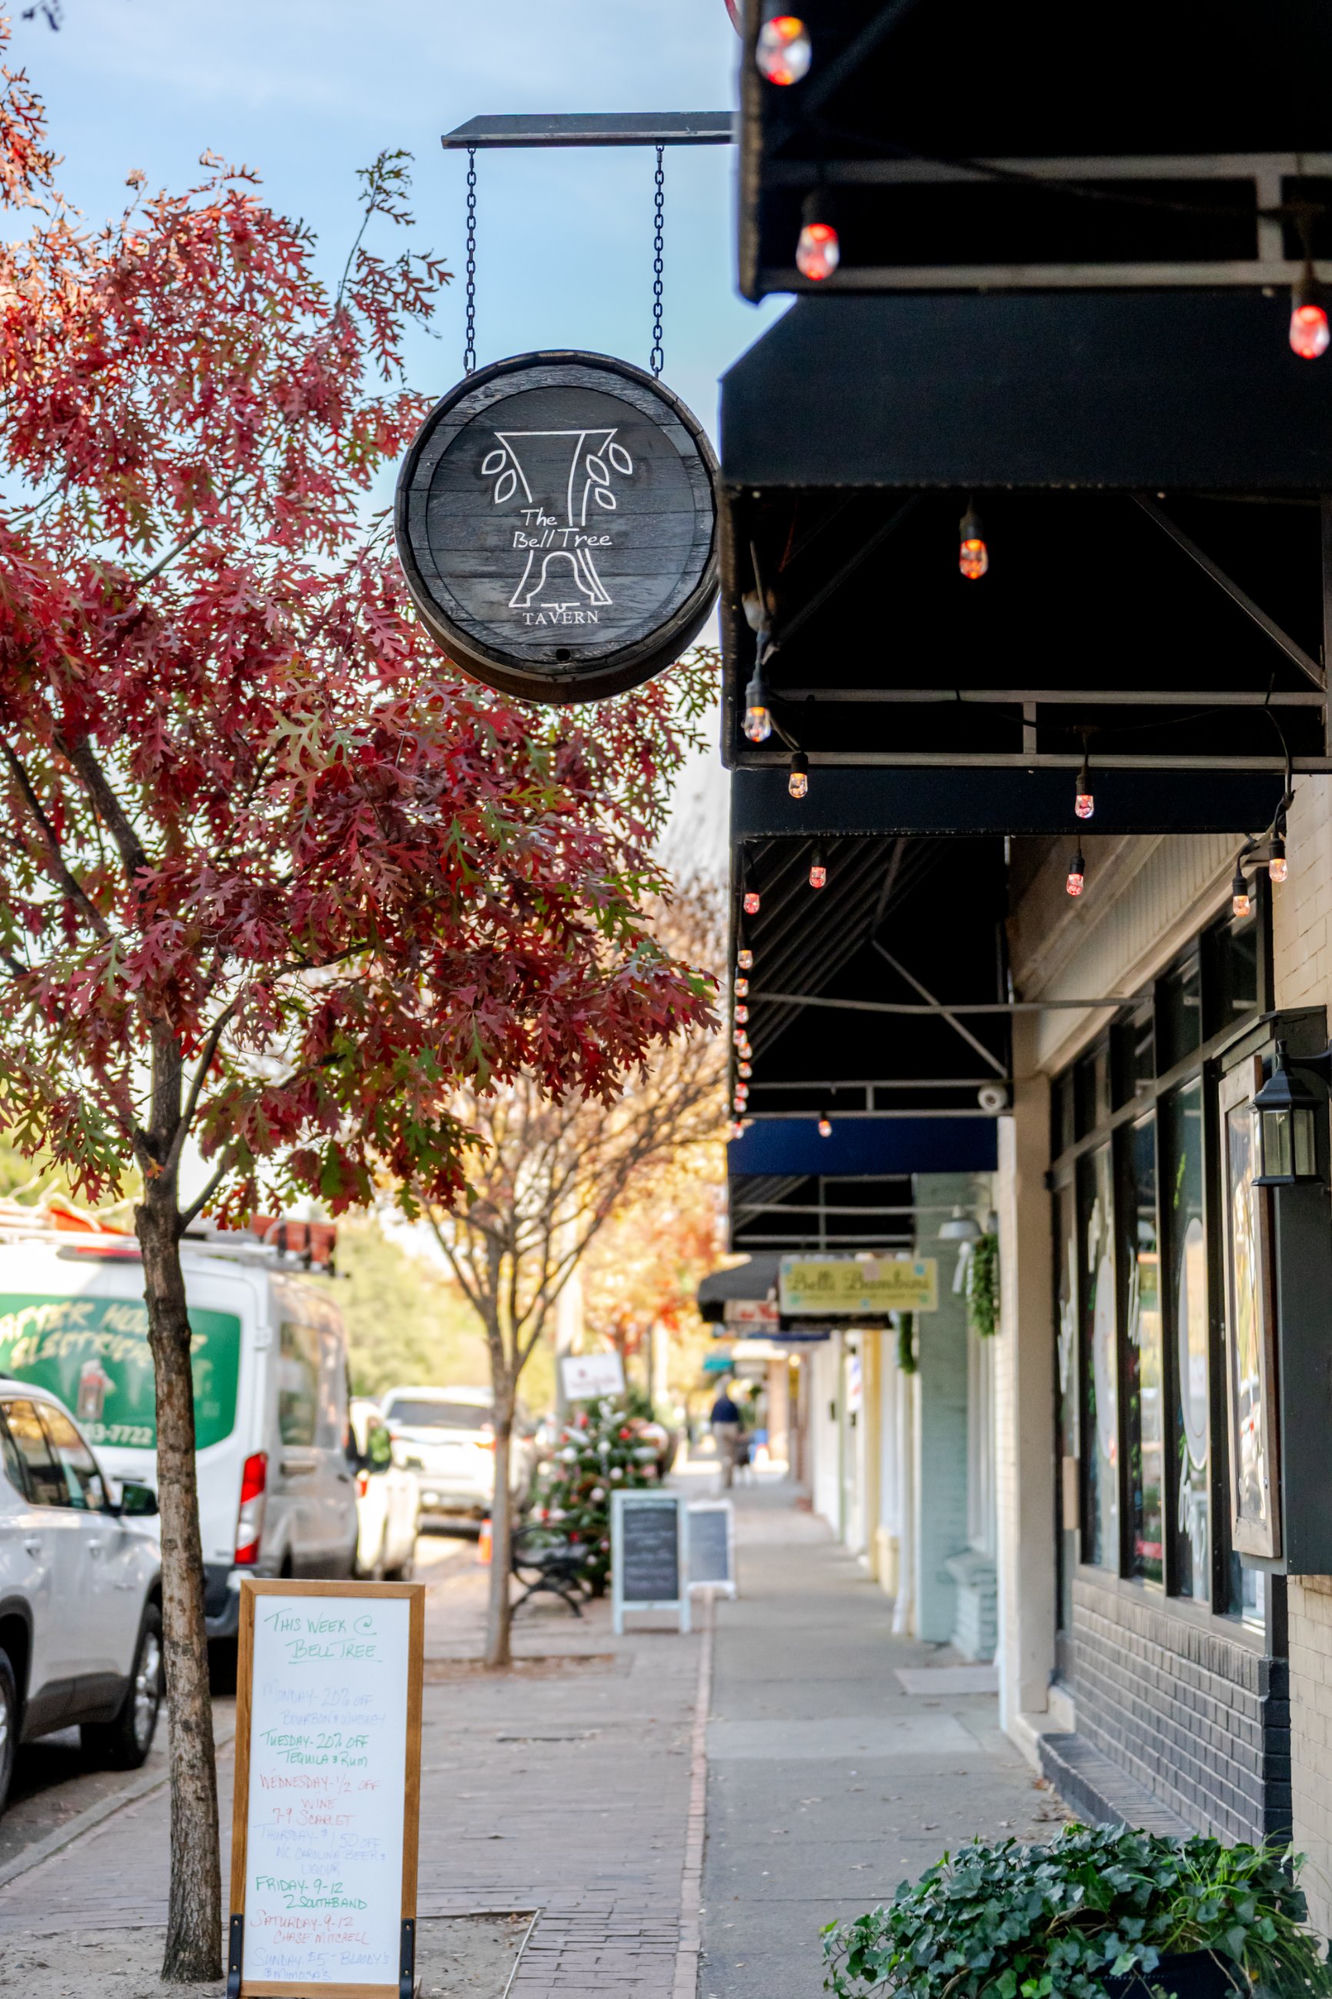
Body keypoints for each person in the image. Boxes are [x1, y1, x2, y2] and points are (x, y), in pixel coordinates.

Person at [710, 1382, 742, 1490]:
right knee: (730, 1454)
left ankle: (725, 1478)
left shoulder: (717, 1404)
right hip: (731, 1428)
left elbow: (712, 1419)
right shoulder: (731, 1404)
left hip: (720, 1428)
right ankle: (729, 1479)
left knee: (723, 1454)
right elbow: (738, 1418)